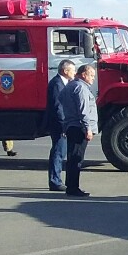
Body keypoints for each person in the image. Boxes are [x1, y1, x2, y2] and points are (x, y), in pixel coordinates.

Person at [58, 63, 98, 198]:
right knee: (76, 158)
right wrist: (88, 128)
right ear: (83, 74)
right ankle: (73, 188)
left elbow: (61, 99)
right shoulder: (81, 88)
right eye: (91, 75)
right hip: (79, 127)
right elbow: (83, 111)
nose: (93, 78)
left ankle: (71, 186)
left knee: (72, 157)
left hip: (71, 125)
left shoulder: (70, 85)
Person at [43, 59, 75, 191]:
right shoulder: (57, 84)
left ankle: (56, 179)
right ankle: (55, 181)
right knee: (58, 151)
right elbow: (58, 107)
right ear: (65, 70)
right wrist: (64, 124)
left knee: (61, 151)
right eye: (73, 70)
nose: (75, 73)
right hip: (58, 124)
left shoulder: (63, 83)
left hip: (61, 123)